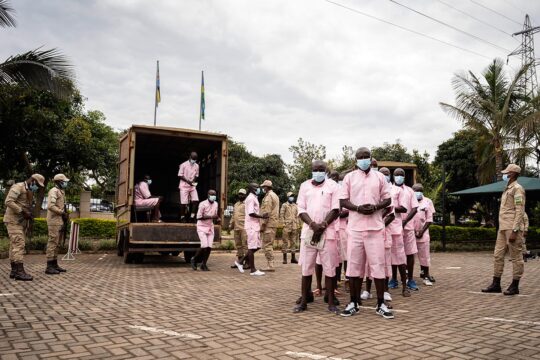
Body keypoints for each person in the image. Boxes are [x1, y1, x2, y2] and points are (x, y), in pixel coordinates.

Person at [339, 147, 393, 319]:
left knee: (378, 266)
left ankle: (380, 304)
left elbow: (388, 198)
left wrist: (376, 207)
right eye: (360, 157)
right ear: (355, 160)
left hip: (375, 228)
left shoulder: (379, 177)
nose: (363, 159)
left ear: (371, 158)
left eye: (366, 157)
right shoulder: (349, 177)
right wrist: (357, 208)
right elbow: (342, 200)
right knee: (354, 267)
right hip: (354, 228)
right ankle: (353, 302)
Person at [293, 160, 340, 314]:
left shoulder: (333, 186)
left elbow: (336, 209)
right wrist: (313, 225)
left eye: (321, 169)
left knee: (330, 269)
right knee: (306, 268)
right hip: (309, 232)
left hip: (328, 233)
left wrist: (324, 225)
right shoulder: (304, 186)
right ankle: (304, 302)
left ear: (325, 171)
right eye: (315, 169)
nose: (318, 172)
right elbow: (301, 209)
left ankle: (331, 302)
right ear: (311, 170)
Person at [482, 164, 526, 296]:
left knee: (516, 257)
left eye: (507, 173)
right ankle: (496, 283)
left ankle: (515, 285)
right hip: (502, 228)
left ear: (512, 174)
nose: (504, 175)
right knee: (498, 255)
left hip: (512, 228)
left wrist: (515, 230)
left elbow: (520, 211)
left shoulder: (518, 189)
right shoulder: (507, 189)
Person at [4, 174, 45, 281]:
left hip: (20, 222)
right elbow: (8, 201)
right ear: (33, 181)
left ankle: (14, 270)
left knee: (14, 245)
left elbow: (25, 205)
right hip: (13, 221)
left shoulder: (29, 191)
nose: (37, 187)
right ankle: (19, 272)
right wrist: (22, 211)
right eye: (37, 185)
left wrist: (29, 214)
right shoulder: (18, 187)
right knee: (19, 244)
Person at [380, 168, 410, 297]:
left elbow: (404, 208)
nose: (384, 176)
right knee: (384, 259)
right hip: (381, 229)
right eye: (382, 173)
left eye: (387, 174)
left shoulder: (397, 190)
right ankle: (385, 289)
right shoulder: (377, 189)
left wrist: (390, 207)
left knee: (400, 259)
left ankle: (404, 286)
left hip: (395, 228)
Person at [394, 168, 419, 291]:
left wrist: (405, 221)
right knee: (394, 253)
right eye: (397, 174)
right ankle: (393, 279)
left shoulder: (410, 191)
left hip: (408, 227)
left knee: (409, 253)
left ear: (404, 177)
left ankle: (410, 279)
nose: (399, 176)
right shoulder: (389, 190)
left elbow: (414, 208)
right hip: (393, 227)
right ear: (393, 176)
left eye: (401, 175)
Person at [235, 183, 268, 276]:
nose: (258, 189)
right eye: (256, 187)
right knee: (252, 247)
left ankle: (240, 261)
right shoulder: (250, 198)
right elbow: (250, 213)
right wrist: (262, 216)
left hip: (255, 225)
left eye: (258, 187)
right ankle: (253, 270)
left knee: (257, 246)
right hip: (251, 226)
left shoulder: (254, 197)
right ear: (250, 189)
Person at [45, 174, 70, 275]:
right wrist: (61, 212)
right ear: (59, 181)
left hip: (59, 221)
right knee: (53, 242)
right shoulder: (53, 191)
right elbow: (51, 206)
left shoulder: (61, 191)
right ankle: (49, 266)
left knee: (57, 244)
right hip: (54, 221)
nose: (66, 183)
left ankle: (54, 264)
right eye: (64, 181)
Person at [412, 183, 436, 286]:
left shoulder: (428, 201)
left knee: (425, 256)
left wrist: (421, 231)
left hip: (423, 233)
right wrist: (412, 231)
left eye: (420, 190)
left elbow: (429, 219)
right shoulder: (409, 201)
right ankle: (408, 277)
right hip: (410, 233)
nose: (418, 192)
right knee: (408, 257)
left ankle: (426, 276)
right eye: (416, 190)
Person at [191, 190, 220, 271]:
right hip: (201, 227)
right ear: (208, 195)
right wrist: (211, 217)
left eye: (214, 194)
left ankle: (204, 264)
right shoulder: (202, 204)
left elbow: (215, 215)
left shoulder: (216, 204)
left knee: (209, 247)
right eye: (211, 194)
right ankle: (194, 259)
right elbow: (199, 217)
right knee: (204, 246)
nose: (213, 196)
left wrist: (217, 218)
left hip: (210, 227)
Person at [260, 180, 279, 272]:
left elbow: (266, 212)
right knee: (269, 244)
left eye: (263, 187)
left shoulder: (268, 197)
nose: (263, 189)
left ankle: (270, 265)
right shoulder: (275, 195)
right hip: (273, 223)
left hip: (269, 223)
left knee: (267, 245)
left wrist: (263, 224)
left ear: (267, 187)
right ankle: (270, 264)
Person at [178, 152, 199, 222]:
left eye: (195, 159)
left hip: (192, 186)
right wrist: (188, 181)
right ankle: (182, 217)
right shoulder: (183, 165)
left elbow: (196, 175)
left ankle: (192, 217)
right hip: (184, 186)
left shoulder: (197, 166)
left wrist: (193, 181)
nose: (194, 161)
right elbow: (180, 175)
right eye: (193, 159)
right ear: (190, 157)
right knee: (183, 202)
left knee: (195, 200)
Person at [229, 189, 248, 268]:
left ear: (245, 195)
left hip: (244, 228)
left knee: (245, 246)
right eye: (239, 194)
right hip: (236, 228)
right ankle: (240, 262)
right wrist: (230, 225)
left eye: (242, 194)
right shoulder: (236, 204)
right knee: (238, 246)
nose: (241, 196)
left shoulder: (247, 204)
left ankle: (247, 263)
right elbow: (234, 216)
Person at [280, 191, 299, 264]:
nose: (292, 197)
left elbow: (297, 215)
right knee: (285, 242)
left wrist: (297, 224)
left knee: (293, 242)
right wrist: (283, 224)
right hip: (286, 226)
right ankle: (284, 258)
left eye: (293, 196)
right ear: (287, 197)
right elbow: (281, 215)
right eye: (290, 196)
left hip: (294, 225)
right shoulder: (284, 205)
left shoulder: (295, 205)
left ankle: (293, 258)